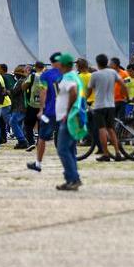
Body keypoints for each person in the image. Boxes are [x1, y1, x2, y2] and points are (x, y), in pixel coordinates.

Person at [50, 53, 86, 191]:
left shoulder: (68, 77)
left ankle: (73, 179)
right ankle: (72, 179)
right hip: (71, 117)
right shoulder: (73, 76)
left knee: (63, 149)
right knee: (70, 150)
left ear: (63, 65)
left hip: (69, 118)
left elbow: (73, 92)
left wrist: (68, 111)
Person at [28, 54, 63, 173]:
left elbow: (43, 92)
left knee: (42, 137)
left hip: (50, 111)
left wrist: (41, 109)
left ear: (51, 62)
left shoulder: (46, 75)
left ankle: (38, 163)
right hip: (64, 110)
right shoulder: (67, 74)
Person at [87, 54, 125, 162]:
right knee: (111, 129)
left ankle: (106, 153)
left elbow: (89, 90)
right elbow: (122, 84)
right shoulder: (113, 73)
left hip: (99, 105)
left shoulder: (95, 75)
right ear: (107, 62)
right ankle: (117, 153)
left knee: (102, 130)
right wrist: (126, 95)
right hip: (111, 105)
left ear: (98, 63)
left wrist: (85, 98)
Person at [6, 66, 30, 150]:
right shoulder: (23, 81)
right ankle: (22, 141)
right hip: (22, 106)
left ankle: (22, 140)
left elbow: (15, 92)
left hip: (19, 106)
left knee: (13, 122)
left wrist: (7, 91)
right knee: (18, 124)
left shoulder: (20, 81)